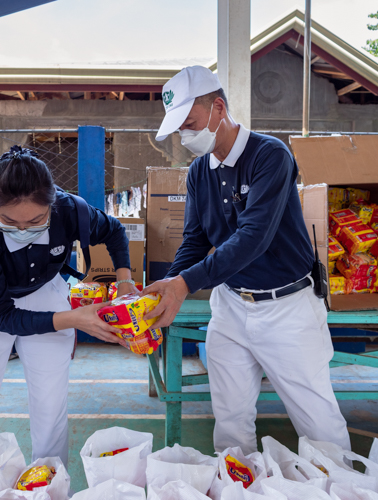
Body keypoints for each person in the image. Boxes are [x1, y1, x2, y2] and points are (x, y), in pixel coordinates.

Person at [143, 66, 351, 454]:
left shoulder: (270, 156)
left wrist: (184, 284)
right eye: (179, 129)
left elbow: (253, 238)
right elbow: (194, 241)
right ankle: (239, 486)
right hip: (231, 307)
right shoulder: (198, 173)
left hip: (286, 307)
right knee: (231, 420)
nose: (184, 136)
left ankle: (342, 489)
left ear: (218, 108)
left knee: (318, 421)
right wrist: (165, 288)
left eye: (189, 124)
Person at [0, 145, 138, 462]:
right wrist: (75, 319)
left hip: (45, 290)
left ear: (52, 205)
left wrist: (125, 281)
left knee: (50, 404)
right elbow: (2, 316)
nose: (22, 230)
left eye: (35, 221)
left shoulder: (71, 210)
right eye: (9, 220)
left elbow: (114, 231)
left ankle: (50, 484)